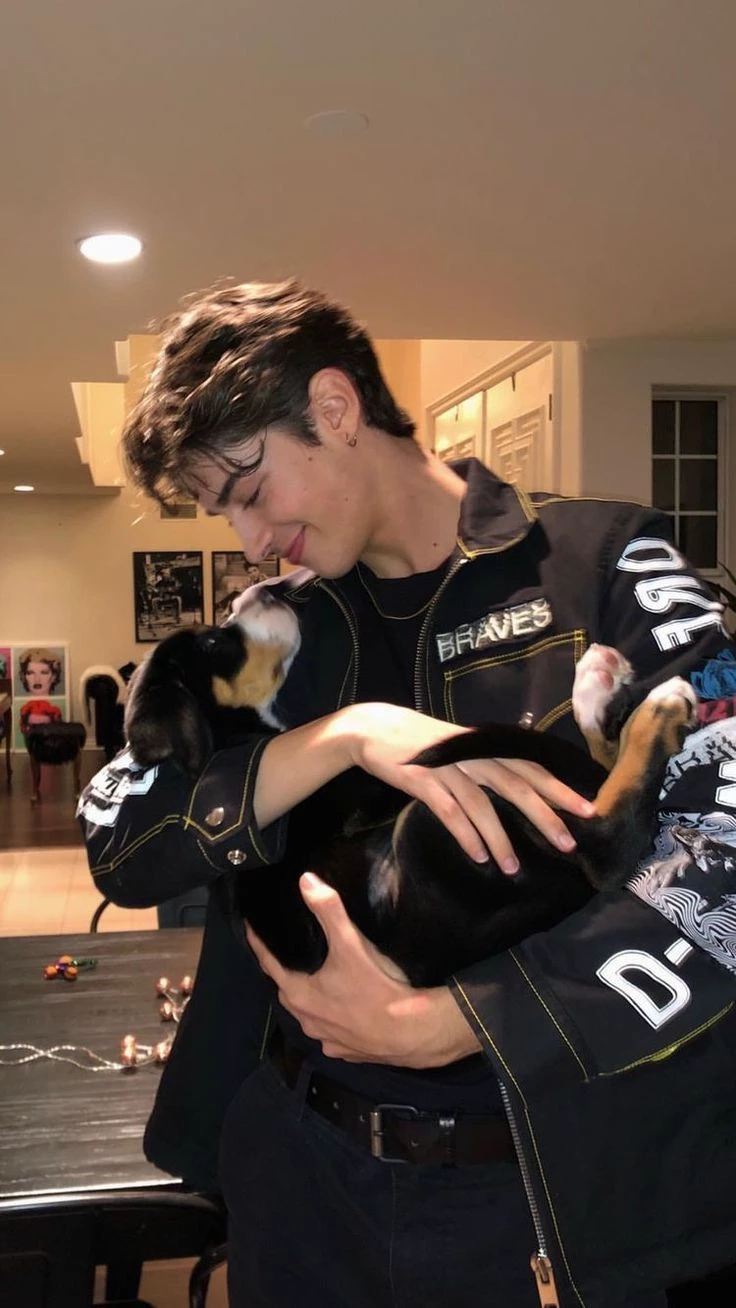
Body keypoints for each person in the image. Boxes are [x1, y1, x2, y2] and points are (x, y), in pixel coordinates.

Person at [78, 280, 736, 1308]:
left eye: (248, 490)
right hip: (302, 1185)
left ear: (333, 407)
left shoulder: (606, 568)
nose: (248, 539)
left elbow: (724, 863)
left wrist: (473, 1019)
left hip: (544, 1196)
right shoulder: (273, 635)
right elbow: (119, 839)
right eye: (222, 511)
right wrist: (340, 738)